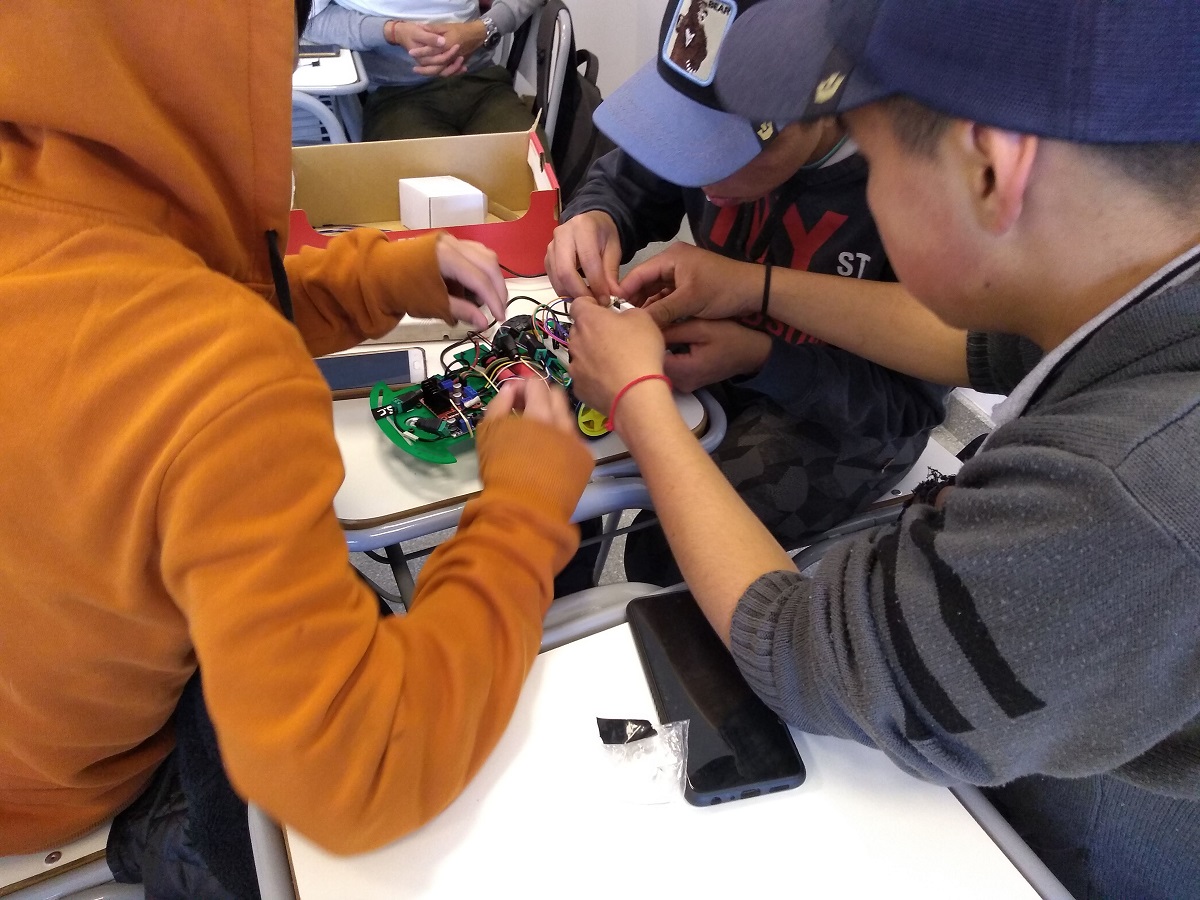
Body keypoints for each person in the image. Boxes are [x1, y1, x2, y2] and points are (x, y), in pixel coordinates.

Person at [565, 0, 1200, 897]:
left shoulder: (1124, 490)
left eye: (873, 156)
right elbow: (967, 347)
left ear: (989, 167)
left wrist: (637, 400)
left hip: (1034, 853)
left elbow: (799, 651)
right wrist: (755, 284)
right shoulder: (1141, 285)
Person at [0, 0, 592, 894]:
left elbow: (146, 286)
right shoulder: (211, 366)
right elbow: (367, 769)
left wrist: (375, 276)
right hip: (62, 793)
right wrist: (524, 509)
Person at [546, 0, 947, 587]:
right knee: (554, 465)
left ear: (822, 114)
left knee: (672, 546)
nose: (699, 178)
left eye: (723, 154)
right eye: (685, 143)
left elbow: (906, 405)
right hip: (723, 363)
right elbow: (627, 181)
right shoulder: (713, 103)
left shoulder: (914, 190)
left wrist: (765, 358)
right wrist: (596, 217)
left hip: (846, 415)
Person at [304, 0, 540, 141]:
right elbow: (309, 18)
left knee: (532, 180)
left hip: (482, 80)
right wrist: (391, 32)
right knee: (429, 200)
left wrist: (482, 30)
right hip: (395, 94)